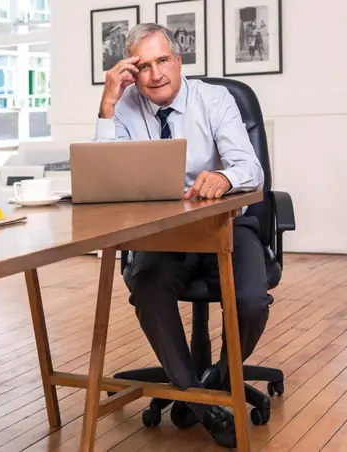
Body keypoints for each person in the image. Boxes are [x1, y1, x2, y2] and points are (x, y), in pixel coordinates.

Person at [95, 23, 271, 449]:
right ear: (131, 72)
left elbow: (251, 168)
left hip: (223, 223)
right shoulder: (123, 106)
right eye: (144, 66)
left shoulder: (214, 99)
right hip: (161, 232)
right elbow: (105, 179)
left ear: (178, 61)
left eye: (163, 61)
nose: (155, 75)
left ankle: (212, 381)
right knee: (148, 288)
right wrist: (105, 107)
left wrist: (225, 178)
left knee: (250, 300)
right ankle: (201, 402)